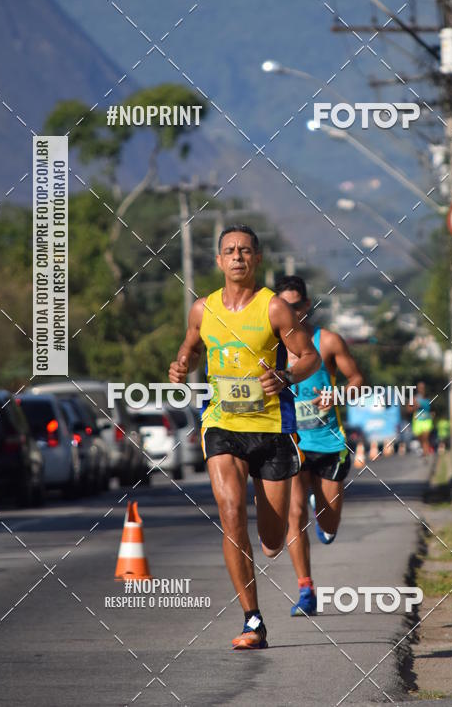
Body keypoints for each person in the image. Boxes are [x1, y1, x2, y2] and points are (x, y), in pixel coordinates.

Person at [169, 226, 320, 649]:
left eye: (245, 251)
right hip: (222, 426)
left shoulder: (274, 309)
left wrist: (287, 374)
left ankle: (268, 528)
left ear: (256, 259)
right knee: (232, 513)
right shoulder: (203, 309)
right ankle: (252, 619)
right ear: (218, 261)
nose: (237, 257)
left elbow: (310, 356)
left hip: (271, 430)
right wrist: (182, 363)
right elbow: (192, 346)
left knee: (272, 540)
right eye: (229, 251)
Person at [275, 275, 365, 617]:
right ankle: (306, 589)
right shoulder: (271, 345)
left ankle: (323, 514)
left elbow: (357, 379)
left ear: (307, 305)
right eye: (284, 306)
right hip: (291, 442)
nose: (290, 312)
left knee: (329, 524)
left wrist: (338, 393)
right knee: (293, 513)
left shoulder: (326, 341)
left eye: (295, 305)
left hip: (328, 442)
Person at [412, 381, 433, 456]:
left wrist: (433, 413)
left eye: (423, 387)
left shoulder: (428, 397)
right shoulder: (415, 398)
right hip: (418, 420)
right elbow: (408, 409)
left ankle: (426, 451)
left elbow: (432, 408)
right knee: (421, 438)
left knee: (425, 436)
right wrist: (415, 407)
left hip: (427, 420)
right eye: (420, 388)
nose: (421, 389)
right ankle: (423, 449)